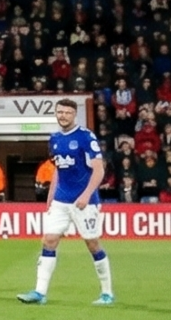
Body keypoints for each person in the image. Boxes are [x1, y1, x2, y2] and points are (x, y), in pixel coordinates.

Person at [21, 99, 113, 305]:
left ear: (75, 115)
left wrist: (86, 194)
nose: (63, 116)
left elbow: (99, 170)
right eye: (60, 112)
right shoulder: (54, 139)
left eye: (67, 113)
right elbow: (57, 170)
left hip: (84, 202)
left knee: (92, 244)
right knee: (49, 240)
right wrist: (50, 197)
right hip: (61, 200)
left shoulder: (85, 137)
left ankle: (107, 293)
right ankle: (39, 292)